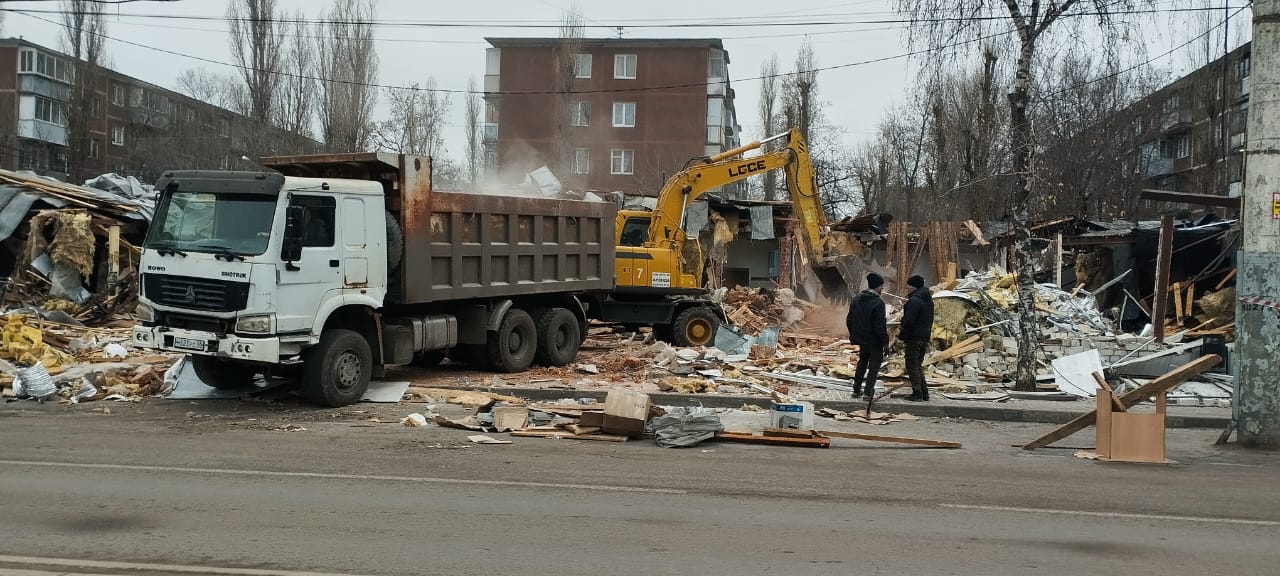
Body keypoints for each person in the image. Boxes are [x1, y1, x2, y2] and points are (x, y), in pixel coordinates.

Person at [846, 273, 889, 400]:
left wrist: (854, 335)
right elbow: (880, 326)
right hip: (875, 341)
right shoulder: (878, 303)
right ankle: (868, 392)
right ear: (876, 286)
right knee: (874, 366)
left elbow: (849, 320)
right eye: (881, 286)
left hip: (862, 340)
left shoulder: (856, 299)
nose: (882, 289)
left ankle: (856, 389)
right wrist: (885, 342)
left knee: (862, 363)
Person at [900, 275, 935, 402]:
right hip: (924, 337)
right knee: (917, 365)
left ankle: (917, 393)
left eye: (909, 285)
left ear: (914, 286)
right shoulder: (928, 300)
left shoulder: (914, 301)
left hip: (914, 337)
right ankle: (924, 393)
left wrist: (902, 335)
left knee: (911, 365)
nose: (907, 287)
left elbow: (909, 321)